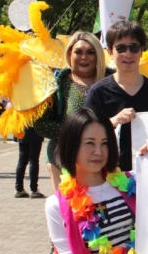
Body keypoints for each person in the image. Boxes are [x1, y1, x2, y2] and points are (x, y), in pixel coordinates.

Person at [45, 108, 148, 254]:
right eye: (89, 143)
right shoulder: (57, 205)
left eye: (105, 143)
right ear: (70, 145)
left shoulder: (132, 183)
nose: (98, 151)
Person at [85, 21, 148, 171]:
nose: (128, 54)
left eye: (134, 47)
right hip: (108, 173)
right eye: (121, 48)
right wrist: (111, 121)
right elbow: (84, 132)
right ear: (110, 52)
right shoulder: (98, 92)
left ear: (142, 50)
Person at [35, 31, 109, 194]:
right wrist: (75, 134)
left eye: (90, 52)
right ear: (69, 54)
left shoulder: (111, 81)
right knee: (71, 215)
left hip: (104, 161)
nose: (84, 57)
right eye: (78, 52)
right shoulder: (55, 84)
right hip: (64, 161)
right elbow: (41, 124)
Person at [14, 127, 45, 198]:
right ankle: (33, 189)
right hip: (34, 131)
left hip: (21, 130)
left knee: (22, 161)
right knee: (33, 161)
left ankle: (19, 189)